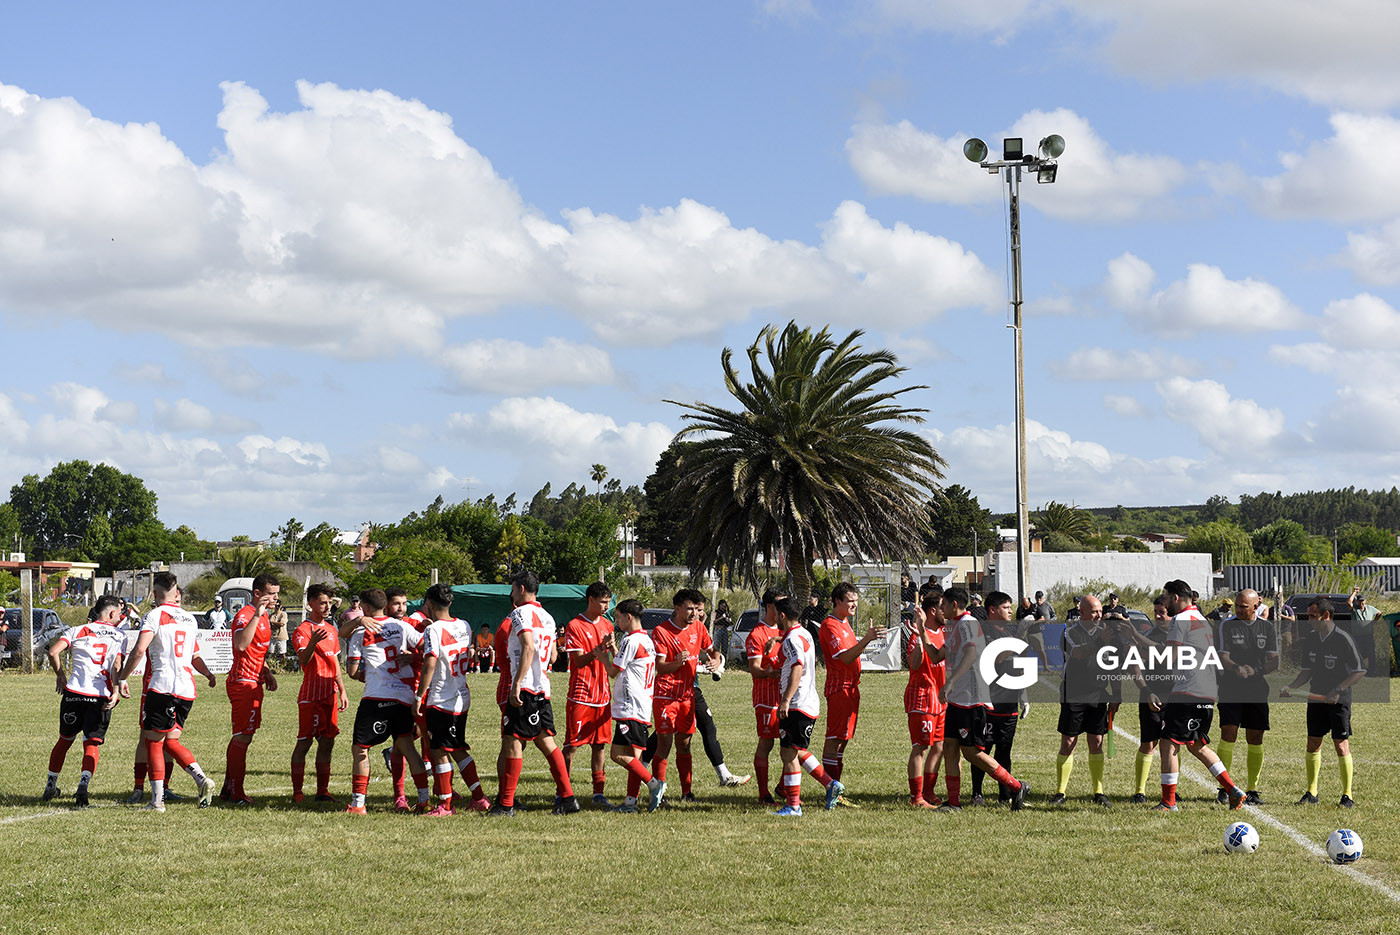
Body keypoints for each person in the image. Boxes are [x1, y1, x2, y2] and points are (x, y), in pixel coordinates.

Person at [1123, 579, 1244, 811]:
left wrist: (1136, 639)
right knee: (1197, 745)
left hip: (1188, 690)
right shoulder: (1201, 619)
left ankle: (1169, 802)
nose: (1165, 603)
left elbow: (1170, 657)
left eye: (1166, 598)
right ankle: (1232, 790)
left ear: (1175, 598)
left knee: (1168, 743)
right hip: (1207, 692)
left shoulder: (1181, 620)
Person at [114, 571, 218, 812]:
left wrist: (122, 677)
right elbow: (194, 656)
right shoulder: (190, 619)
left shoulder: (154, 615)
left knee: (152, 740)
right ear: (176, 593)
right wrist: (209, 674)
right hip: (186, 689)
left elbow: (139, 650)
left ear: (154, 594)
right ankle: (201, 779)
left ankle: (157, 800)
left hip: (162, 686)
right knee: (171, 741)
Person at [933, 587, 1030, 811]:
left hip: (971, 700)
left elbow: (971, 653)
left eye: (944, 605)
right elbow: (937, 655)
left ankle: (1016, 786)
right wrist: (920, 628)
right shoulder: (956, 625)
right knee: (950, 747)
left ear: (954, 604)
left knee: (973, 753)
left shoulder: (967, 624)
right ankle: (954, 802)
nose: (941, 609)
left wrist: (950, 682)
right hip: (959, 699)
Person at [494, 570, 578, 816]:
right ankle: (567, 798)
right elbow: (552, 655)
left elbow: (528, 646)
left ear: (520, 588)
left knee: (512, 741)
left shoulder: (520, 613)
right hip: (543, 687)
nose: (511, 594)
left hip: (527, 687)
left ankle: (506, 804)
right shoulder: (548, 616)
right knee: (546, 740)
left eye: (512, 589)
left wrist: (517, 682)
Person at [344, 588, 430, 814]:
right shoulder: (402, 626)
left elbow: (352, 671)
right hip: (404, 696)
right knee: (409, 748)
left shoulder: (360, 632)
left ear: (365, 607)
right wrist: (414, 657)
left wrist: (369, 674)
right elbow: (427, 648)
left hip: (377, 697)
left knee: (360, 749)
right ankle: (423, 801)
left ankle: (358, 804)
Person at [42, 595, 126, 807]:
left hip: (74, 693)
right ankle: (83, 786)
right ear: (112, 613)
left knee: (64, 740)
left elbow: (53, 652)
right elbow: (116, 666)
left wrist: (60, 675)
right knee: (91, 743)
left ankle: (50, 785)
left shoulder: (77, 630)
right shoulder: (119, 635)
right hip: (99, 696)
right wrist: (116, 690)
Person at [415, 582, 491, 815]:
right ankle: (478, 797)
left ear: (429, 603)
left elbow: (430, 663)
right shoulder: (465, 625)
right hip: (460, 694)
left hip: (442, 698)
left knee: (439, 751)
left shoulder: (433, 630)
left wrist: (419, 696)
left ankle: (445, 805)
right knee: (457, 749)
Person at [1281, 598, 1366, 808]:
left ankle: (1347, 796)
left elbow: (1359, 670)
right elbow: (1307, 671)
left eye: (1312, 616)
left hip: (1339, 701)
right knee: (1313, 744)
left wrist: (1338, 690)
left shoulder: (1343, 638)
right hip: (1316, 699)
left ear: (1325, 616)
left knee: (1341, 745)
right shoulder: (1311, 639)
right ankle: (1312, 792)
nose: (1308, 620)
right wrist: (1291, 687)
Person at [650, 588, 723, 803]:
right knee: (664, 745)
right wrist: (678, 663)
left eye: (697, 610)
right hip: (666, 696)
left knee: (685, 744)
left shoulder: (698, 628)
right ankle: (658, 793)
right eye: (690, 609)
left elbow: (713, 651)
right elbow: (660, 667)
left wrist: (716, 661)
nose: (695, 614)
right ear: (677, 608)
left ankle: (686, 792)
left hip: (688, 696)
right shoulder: (661, 631)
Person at [773, 597, 844, 815]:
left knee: (788, 755)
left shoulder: (792, 639)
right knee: (797, 750)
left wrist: (785, 699)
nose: (774, 618)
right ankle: (830, 784)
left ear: (782, 615)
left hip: (796, 703)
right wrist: (776, 640)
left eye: (776, 614)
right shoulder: (803, 633)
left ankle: (793, 805)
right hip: (808, 703)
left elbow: (797, 666)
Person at [1214, 588, 1279, 805]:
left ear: (1255, 607)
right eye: (1237, 605)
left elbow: (1273, 661)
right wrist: (1237, 669)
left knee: (1255, 737)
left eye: (1244, 606)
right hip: (1230, 687)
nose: (1239, 610)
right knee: (1228, 733)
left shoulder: (1267, 627)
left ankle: (1253, 789)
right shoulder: (1227, 625)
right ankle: (1225, 788)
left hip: (1257, 689)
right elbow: (1222, 656)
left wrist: (1255, 671)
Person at [220, 573, 280, 806]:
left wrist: (266, 671)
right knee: (242, 737)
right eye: (271, 594)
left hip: (255, 680)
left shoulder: (264, 616)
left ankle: (228, 788)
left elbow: (256, 651)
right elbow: (241, 644)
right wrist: (257, 614)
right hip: (242, 682)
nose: (276, 598)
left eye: (277, 593)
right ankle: (237, 792)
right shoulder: (246, 615)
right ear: (257, 594)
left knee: (244, 736)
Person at [819, 582, 886, 787]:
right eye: (850, 601)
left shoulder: (844, 622)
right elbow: (846, 659)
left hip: (851, 688)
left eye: (856, 601)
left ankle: (836, 788)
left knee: (843, 741)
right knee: (834, 740)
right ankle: (831, 788)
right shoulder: (830, 625)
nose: (855, 605)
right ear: (837, 601)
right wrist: (866, 639)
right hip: (840, 688)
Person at [1051, 595, 1114, 807]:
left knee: (1096, 743)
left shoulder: (1105, 633)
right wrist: (1101, 641)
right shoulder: (1069, 631)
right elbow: (1077, 653)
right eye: (1094, 612)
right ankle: (1060, 791)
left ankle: (1098, 791)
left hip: (1097, 693)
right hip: (1074, 693)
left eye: (1100, 611)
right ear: (1083, 613)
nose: (1098, 615)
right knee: (1068, 742)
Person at [605, 599, 667, 813]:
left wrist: (601, 656)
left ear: (628, 617)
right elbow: (628, 665)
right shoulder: (646, 640)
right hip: (641, 704)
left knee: (617, 754)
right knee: (635, 757)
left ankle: (654, 784)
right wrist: (613, 648)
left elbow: (614, 672)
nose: (617, 622)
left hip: (630, 706)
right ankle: (630, 803)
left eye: (618, 617)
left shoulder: (630, 640)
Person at [289, 583, 348, 803]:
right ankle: (298, 792)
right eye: (322, 602)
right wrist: (313, 643)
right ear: (310, 603)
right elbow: (304, 660)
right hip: (311, 696)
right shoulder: (303, 630)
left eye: (329, 603)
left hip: (330, 694)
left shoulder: (332, 630)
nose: (326, 606)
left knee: (327, 742)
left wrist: (342, 690)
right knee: (304, 743)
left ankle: (323, 791)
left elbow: (334, 661)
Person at [562, 582, 616, 810]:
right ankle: (564, 791)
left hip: (603, 695)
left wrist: (612, 648)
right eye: (603, 602)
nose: (606, 606)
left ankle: (598, 793)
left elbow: (614, 660)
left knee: (600, 746)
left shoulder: (608, 624)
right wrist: (598, 651)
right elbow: (577, 661)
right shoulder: (574, 625)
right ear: (591, 600)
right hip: (581, 694)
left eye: (608, 602)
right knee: (572, 746)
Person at [972, 591, 1025, 805]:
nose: (1011, 611)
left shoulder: (1008, 631)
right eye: (1006, 607)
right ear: (992, 610)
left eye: (1011, 607)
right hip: (989, 700)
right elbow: (995, 658)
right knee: (982, 750)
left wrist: (1024, 694)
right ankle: (977, 793)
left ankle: (1005, 794)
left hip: (1009, 699)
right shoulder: (984, 631)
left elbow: (1018, 664)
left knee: (1005, 750)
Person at [904, 592, 946, 808]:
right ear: (933, 611)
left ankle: (928, 792)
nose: (945, 611)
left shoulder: (944, 633)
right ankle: (916, 798)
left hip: (941, 700)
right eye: (942, 607)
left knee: (939, 747)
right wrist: (919, 637)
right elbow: (913, 663)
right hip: (923, 698)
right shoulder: (917, 634)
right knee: (920, 747)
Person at [1128, 596, 1172, 803]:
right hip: (1151, 694)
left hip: (1176, 696)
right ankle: (1140, 791)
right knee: (1148, 743)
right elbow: (1134, 665)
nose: (1157, 616)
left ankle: (1171, 791)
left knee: (1172, 743)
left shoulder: (1180, 636)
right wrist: (1146, 691)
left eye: (1162, 612)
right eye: (1155, 611)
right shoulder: (1146, 636)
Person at [746, 588, 787, 805]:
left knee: (792, 744)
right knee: (767, 743)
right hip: (767, 698)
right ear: (769, 606)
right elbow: (754, 669)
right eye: (781, 603)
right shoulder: (757, 634)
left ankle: (782, 787)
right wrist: (771, 673)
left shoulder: (786, 631)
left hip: (788, 698)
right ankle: (763, 794)